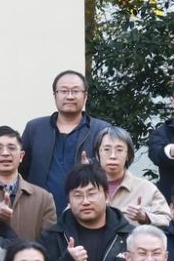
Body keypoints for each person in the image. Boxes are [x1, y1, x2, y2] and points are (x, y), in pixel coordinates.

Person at [20, 71, 111, 212]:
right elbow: (20, 168)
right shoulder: (35, 128)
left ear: (85, 96)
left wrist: (92, 167)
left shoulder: (101, 129)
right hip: (39, 211)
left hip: (85, 210)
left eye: (75, 91)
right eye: (63, 91)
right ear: (55, 95)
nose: (69, 96)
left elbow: (112, 170)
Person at [0, 126, 57, 242]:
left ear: (21, 156)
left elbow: (50, 243)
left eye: (11, 148)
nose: (5, 153)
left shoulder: (44, 198)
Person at [96, 125, 171, 228]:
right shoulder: (86, 187)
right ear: (98, 153)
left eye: (119, 150)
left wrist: (145, 217)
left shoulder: (146, 188)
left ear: (128, 155)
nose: (112, 156)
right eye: (106, 149)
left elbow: (167, 220)